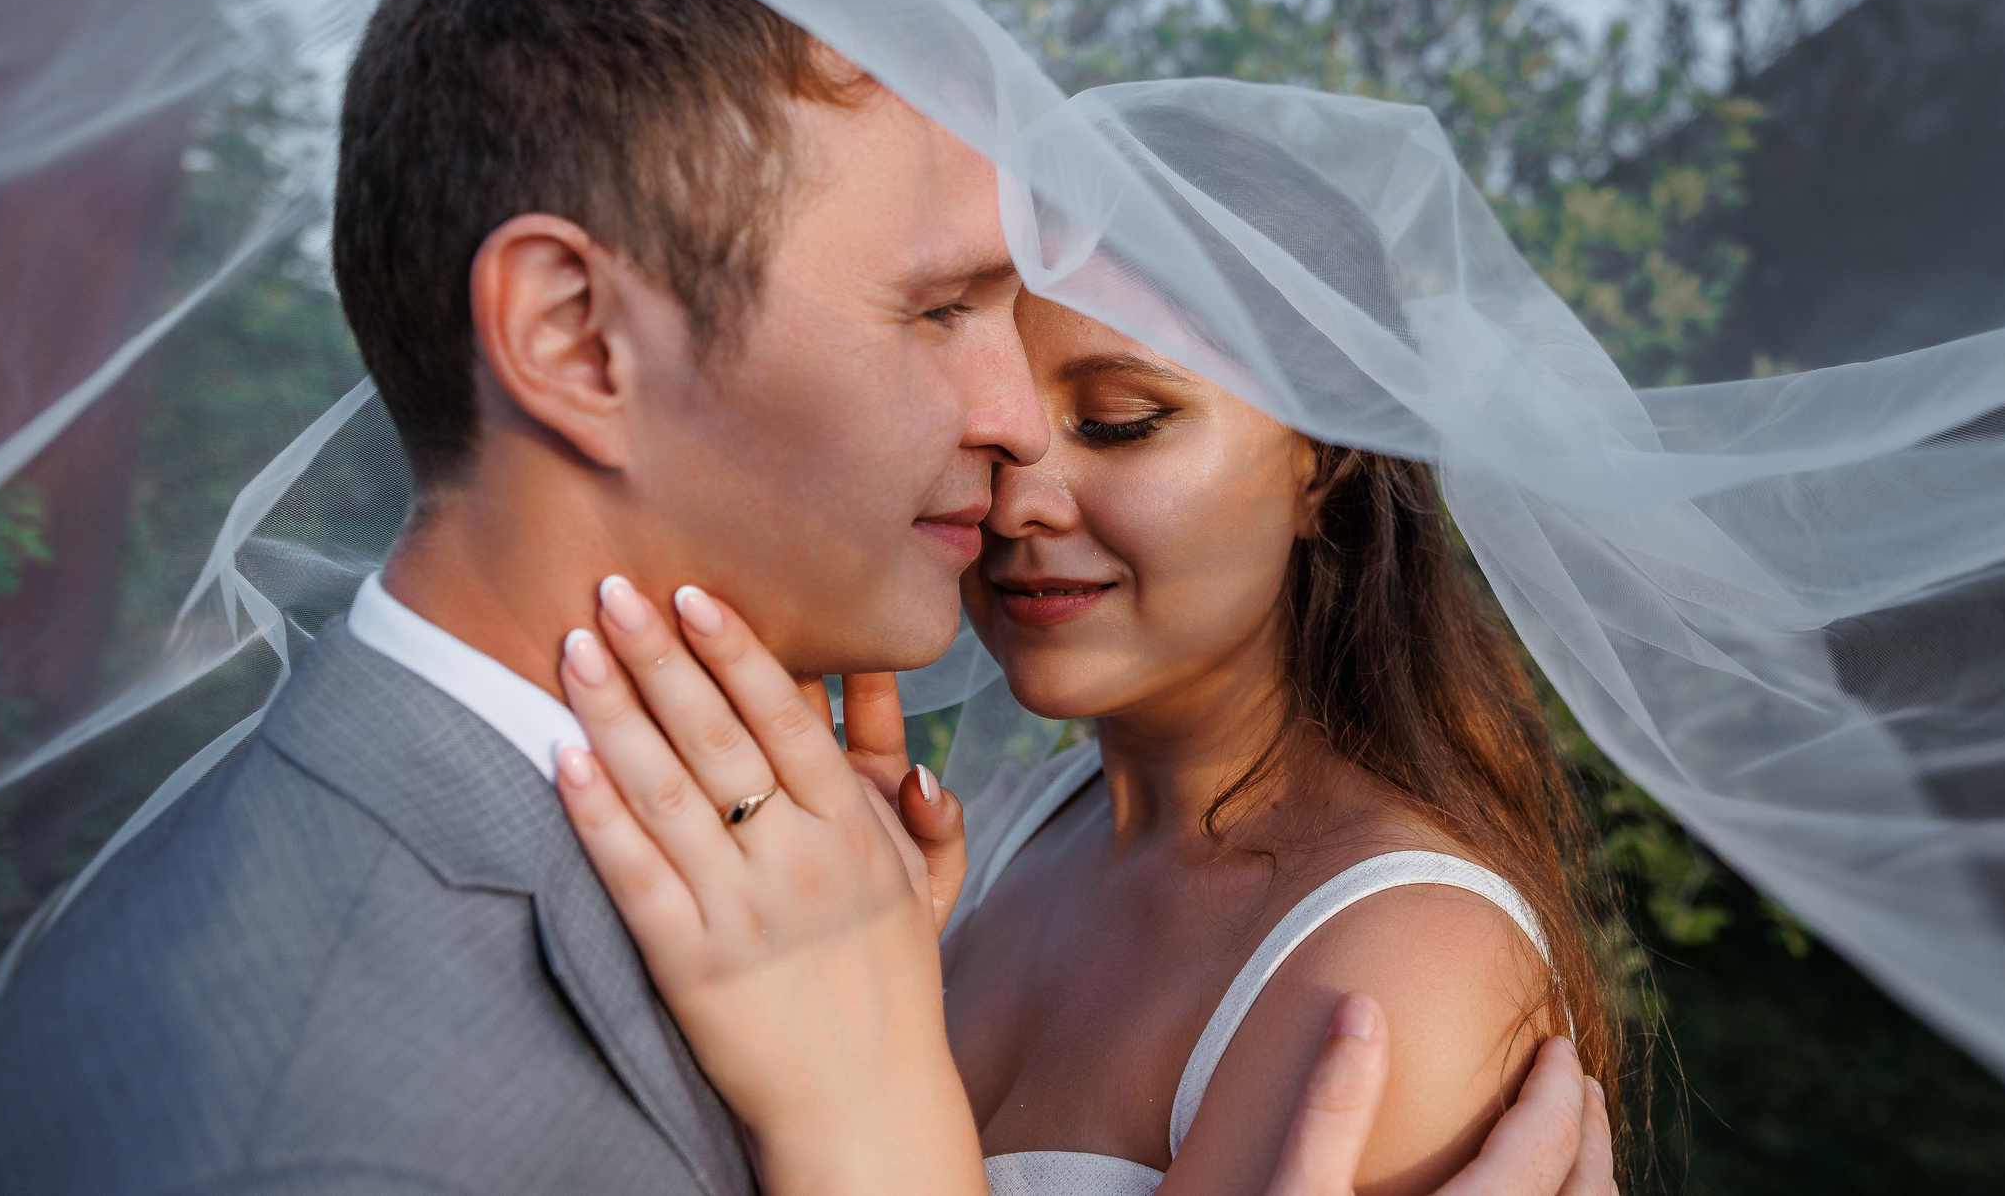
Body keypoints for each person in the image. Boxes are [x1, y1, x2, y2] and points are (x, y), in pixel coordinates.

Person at [0, 0, 1611, 1196]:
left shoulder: (758, 869)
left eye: (1112, 409)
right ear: (574, 337)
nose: (1013, 437)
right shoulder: (329, 1122)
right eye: (942, 312)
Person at [552, 165, 1624, 1194]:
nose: (1018, 504)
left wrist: (841, 1076)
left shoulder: (1399, 969)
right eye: (984, 435)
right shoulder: (996, 839)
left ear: (1325, 458)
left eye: (1120, 422)